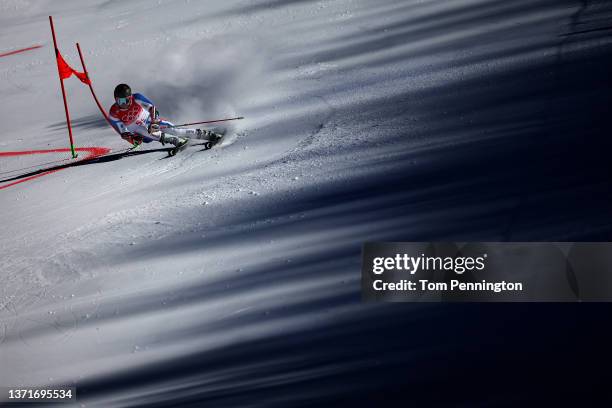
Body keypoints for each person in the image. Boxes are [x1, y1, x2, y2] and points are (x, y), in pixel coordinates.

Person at [108, 83, 220, 147]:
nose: (124, 104)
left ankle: (205, 134)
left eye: (126, 101)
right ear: (115, 100)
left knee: (173, 129)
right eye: (120, 101)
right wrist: (131, 139)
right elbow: (123, 132)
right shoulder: (114, 112)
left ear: (130, 97)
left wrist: (154, 121)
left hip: (148, 120)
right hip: (138, 131)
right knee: (148, 132)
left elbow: (152, 108)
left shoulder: (137, 98)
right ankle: (174, 140)